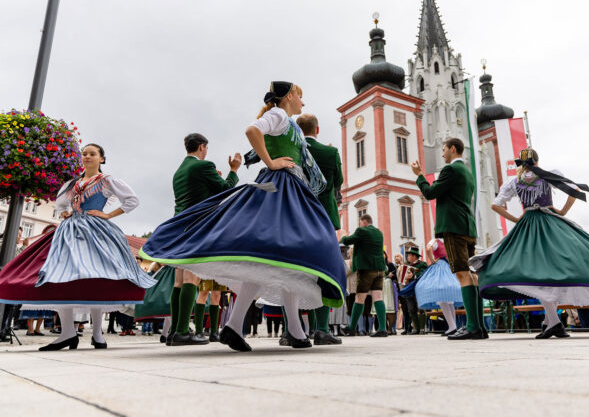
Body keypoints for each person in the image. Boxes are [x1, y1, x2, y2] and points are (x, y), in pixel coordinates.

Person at [140, 81, 347, 351]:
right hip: (280, 188)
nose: (302, 102)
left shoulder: (288, 121)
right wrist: (271, 162)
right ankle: (286, 330)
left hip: (287, 188)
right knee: (287, 255)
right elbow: (252, 130)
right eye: (299, 96)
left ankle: (239, 326)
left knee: (276, 258)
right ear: (288, 97)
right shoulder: (279, 114)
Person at [0, 143, 156, 350]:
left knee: (97, 277)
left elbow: (131, 200)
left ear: (102, 159)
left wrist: (108, 214)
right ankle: (67, 332)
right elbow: (60, 204)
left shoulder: (107, 180)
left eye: (92, 154)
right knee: (61, 275)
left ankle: (98, 333)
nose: (87, 157)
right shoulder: (72, 183)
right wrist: (64, 212)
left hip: (96, 230)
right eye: (84, 154)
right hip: (70, 230)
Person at [471, 148, 589, 339]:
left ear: (521, 162)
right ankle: (552, 322)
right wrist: (561, 212)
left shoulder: (514, 182)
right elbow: (575, 191)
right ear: (537, 160)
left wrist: (517, 219)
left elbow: (495, 205)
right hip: (550, 222)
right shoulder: (548, 175)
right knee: (553, 269)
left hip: (528, 225)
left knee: (539, 271)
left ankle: (551, 321)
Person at [163, 133, 241, 346]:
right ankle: (181, 332)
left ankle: (174, 331)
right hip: (197, 226)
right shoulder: (203, 166)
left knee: (178, 282)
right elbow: (226, 190)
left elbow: (197, 194)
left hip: (179, 226)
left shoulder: (180, 170)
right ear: (202, 147)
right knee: (191, 279)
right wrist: (234, 170)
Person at [412, 138, 486, 340]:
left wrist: (419, 176)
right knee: (472, 275)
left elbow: (430, 193)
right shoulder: (468, 172)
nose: (442, 153)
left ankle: (472, 326)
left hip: (453, 227)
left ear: (453, 149)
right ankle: (479, 326)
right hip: (468, 227)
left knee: (462, 274)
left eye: (444, 150)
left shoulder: (450, 170)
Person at [297, 113, 344, 345]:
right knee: (323, 270)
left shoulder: (293, 150)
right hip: (323, 215)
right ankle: (321, 329)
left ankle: (292, 330)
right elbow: (338, 182)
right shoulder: (330, 152)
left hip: (296, 216)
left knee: (295, 271)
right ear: (317, 130)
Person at [339, 214, 388, 337]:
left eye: (360, 223)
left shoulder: (362, 230)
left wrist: (344, 234)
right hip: (379, 269)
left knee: (359, 298)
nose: (360, 225)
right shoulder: (379, 232)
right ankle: (382, 328)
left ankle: (351, 328)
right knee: (378, 297)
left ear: (364, 222)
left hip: (366, 269)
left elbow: (347, 241)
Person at [415, 239, 463, 336]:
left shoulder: (434, 240)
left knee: (441, 298)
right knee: (449, 299)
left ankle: (452, 327)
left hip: (440, 266)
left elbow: (428, 248)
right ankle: (453, 326)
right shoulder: (447, 241)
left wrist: (432, 261)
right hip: (449, 267)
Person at [397, 247, 428, 334]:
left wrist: (413, 275)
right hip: (408, 289)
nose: (408, 257)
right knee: (411, 309)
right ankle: (416, 328)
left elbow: (423, 274)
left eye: (409, 255)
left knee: (420, 308)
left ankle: (422, 328)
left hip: (418, 289)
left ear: (415, 256)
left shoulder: (422, 264)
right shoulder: (406, 266)